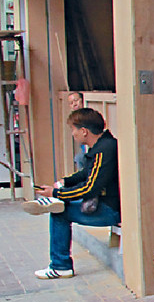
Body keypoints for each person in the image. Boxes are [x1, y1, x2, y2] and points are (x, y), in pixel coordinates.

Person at [21, 108, 120, 279]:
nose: (73, 134)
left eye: (73, 130)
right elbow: (86, 174)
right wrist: (64, 183)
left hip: (110, 209)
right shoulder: (103, 145)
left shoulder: (104, 150)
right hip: (105, 203)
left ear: (84, 131)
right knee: (60, 206)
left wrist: (57, 193)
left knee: (59, 213)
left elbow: (90, 188)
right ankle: (52, 202)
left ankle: (60, 266)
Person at [66, 91, 87, 169]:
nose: (74, 104)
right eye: (71, 103)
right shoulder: (74, 119)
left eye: (76, 100)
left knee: (79, 158)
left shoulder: (89, 115)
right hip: (84, 151)